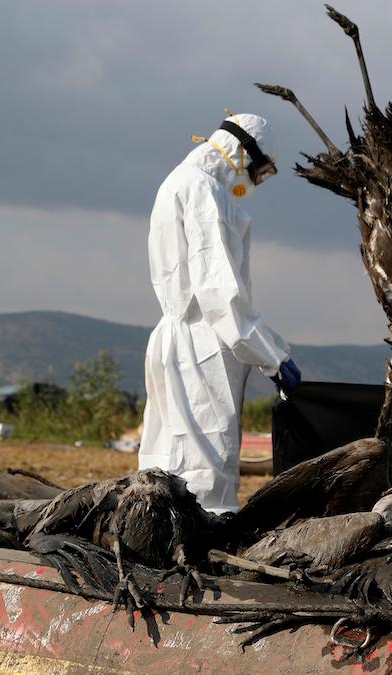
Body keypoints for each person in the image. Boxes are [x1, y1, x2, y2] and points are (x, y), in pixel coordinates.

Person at [140, 113, 301, 514]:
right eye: (259, 172)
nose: (255, 183)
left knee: (165, 461)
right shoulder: (206, 191)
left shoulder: (178, 180)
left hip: (172, 337)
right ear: (241, 154)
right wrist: (273, 355)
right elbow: (220, 292)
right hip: (203, 346)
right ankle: (203, 563)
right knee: (206, 470)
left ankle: (154, 545)